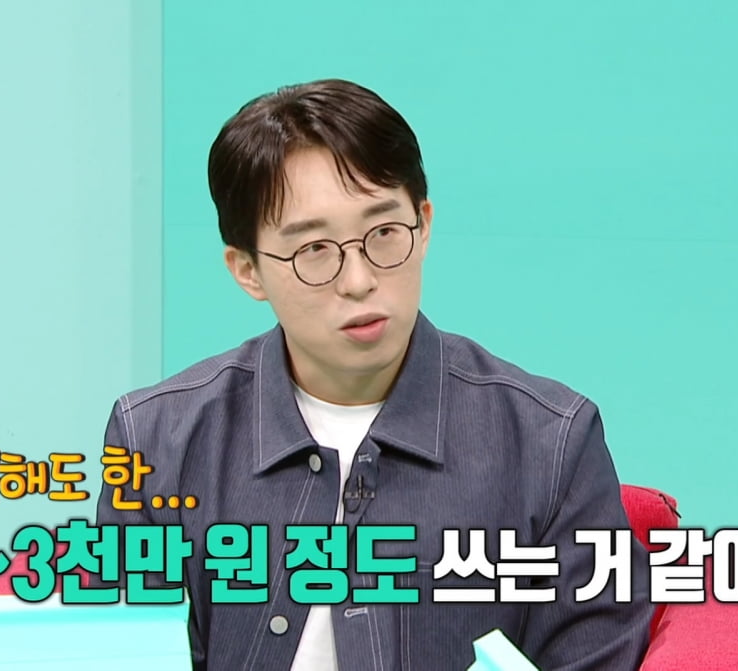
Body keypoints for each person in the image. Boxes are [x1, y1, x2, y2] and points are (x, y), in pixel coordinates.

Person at [93, 78, 653, 670]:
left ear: (424, 224)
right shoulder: (158, 439)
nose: (359, 280)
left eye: (384, 234)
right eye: (314, 250)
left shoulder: (551, 441)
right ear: (247, 270)